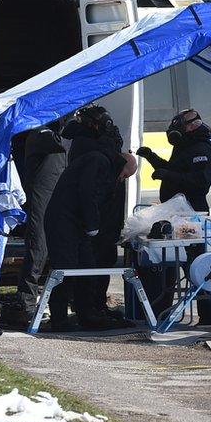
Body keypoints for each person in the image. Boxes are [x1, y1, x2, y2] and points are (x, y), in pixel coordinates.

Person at [44, 122, 137, 331]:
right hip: (64, 222)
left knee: (87, 268)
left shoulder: (101, 161)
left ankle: (87, 314)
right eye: (124, 176)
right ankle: (59, 319)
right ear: (122, 166)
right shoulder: (99, 163)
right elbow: (87, 194)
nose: (121, 179)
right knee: (65, 269)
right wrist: (93, 224)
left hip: (76, 223)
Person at [137, 109, 211, 325]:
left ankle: (208, 315)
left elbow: (199, 183)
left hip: (192, 215)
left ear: (191, 127)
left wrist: (168, 175)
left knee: (195, 265)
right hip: (176, 215)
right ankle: (162, 309)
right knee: (171, 263)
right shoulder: (184, 148)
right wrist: (152, 158)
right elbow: (173, 169)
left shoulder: (202, 149)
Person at [61, 106, 129, 319]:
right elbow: (90, 190)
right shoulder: (89, 147)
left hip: (105, 214)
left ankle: (95, 305)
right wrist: (94, 223)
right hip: (98, 215)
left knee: (103, 260)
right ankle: (89, 308)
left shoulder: (93, 143)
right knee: (92, 264)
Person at [10, 122, 68, 323]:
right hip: (41, 199)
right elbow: (64, 143)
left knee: (57, 254)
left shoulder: (50, 135)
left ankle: (57, 310)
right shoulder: (40, 135)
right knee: (38, 251)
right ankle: (25, 307)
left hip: (55, 198)